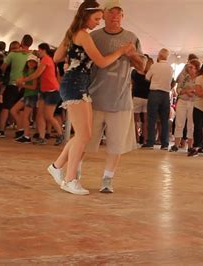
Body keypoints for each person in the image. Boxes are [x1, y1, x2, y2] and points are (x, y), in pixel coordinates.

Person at [45, 0, 133, 195]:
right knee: (84, 135)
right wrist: (121, 51)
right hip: (75, 85)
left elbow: (57, 57)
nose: (98, 23)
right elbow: (101, 62)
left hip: (78, 84)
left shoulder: (73, 34)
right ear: (85, 16)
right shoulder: (83, 35)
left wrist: (72, 53)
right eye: (96, 19)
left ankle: (57, 167)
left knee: (83, 135)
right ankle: (69, 179)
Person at [17, 43, 64, 145]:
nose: (38, 52)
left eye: (39, 50)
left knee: (48, 116)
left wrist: (23, 80)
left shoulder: (46, 59)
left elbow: (37, 74)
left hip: (52, 91)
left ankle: (60, 134)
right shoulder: (45, 60)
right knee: (40, 115)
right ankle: (42, 137)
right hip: (45, 90)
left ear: (43, 50)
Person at [0, 35, 33, 137]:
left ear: (21, 42)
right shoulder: (32, 55)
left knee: (5, 108)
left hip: (13, 83)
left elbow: (3, 68)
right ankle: (19, 130)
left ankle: (1, 131)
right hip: (25, 85)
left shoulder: (12, 54)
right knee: (20, 109)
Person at [144, 48, 173, 150]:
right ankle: (165, 143)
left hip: (154, 93)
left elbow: (147, 77)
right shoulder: (170, 68)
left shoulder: (154, 66)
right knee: (164, 120)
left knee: (151, 119)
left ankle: (150, 142)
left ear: (159, 56)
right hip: (165, 95)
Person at [170, 59, 200, 153]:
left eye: (191, 67)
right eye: (188, 67)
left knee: (191, 124)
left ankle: (190, 146)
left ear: (197, 69)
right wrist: (186, 91)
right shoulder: (185, 77)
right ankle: (176, 144)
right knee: (179, 123)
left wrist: (193, 91)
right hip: (182, 101)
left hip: (193, 102)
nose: (189, 69)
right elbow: (178, 89)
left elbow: (200, 91)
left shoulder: (199, 79)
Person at [11, 54, 39, 143]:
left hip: (32, 95)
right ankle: (22, 130)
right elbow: (21, 80)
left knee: (25, 116)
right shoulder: (26, 72)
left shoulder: (34, 73)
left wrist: (22, 84)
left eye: (33, 62)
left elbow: (34, 87)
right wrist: (19, 83)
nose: (31, 63)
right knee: (13, 110)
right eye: (30, 61)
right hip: (27, 95)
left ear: (36, 63)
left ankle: (26, 135)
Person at [131, 55, 153, 145]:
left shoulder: (135, 72)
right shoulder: (150, 74)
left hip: (137, 97)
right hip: (147, 97)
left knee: (134, 120)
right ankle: (144, 139)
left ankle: (135, 138)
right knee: (145, 121)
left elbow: (131, 84)